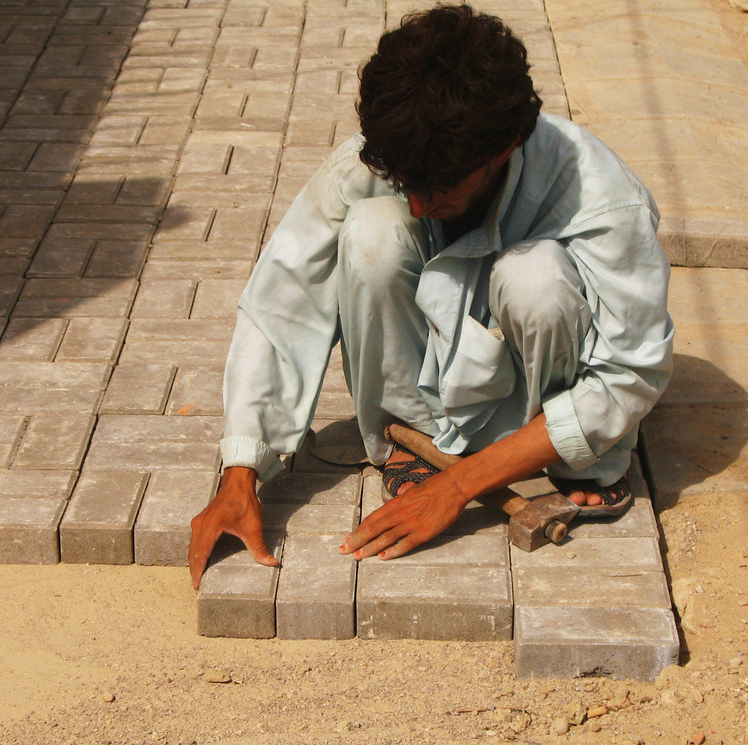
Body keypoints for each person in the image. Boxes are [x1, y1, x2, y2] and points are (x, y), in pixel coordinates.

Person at [188, 4, 674, 589]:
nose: (419, 204)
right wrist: (241, 472)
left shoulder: (601, 197)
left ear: (503, 150)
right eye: (407, 185)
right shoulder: (383, 158)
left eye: (440, 187)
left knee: (535, 277)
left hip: (544, 395)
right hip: (433, 398)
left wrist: (459, 487)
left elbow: (630, 375)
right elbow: (281, 305)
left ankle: (582, 462)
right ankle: (411, 440)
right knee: (372, 232)